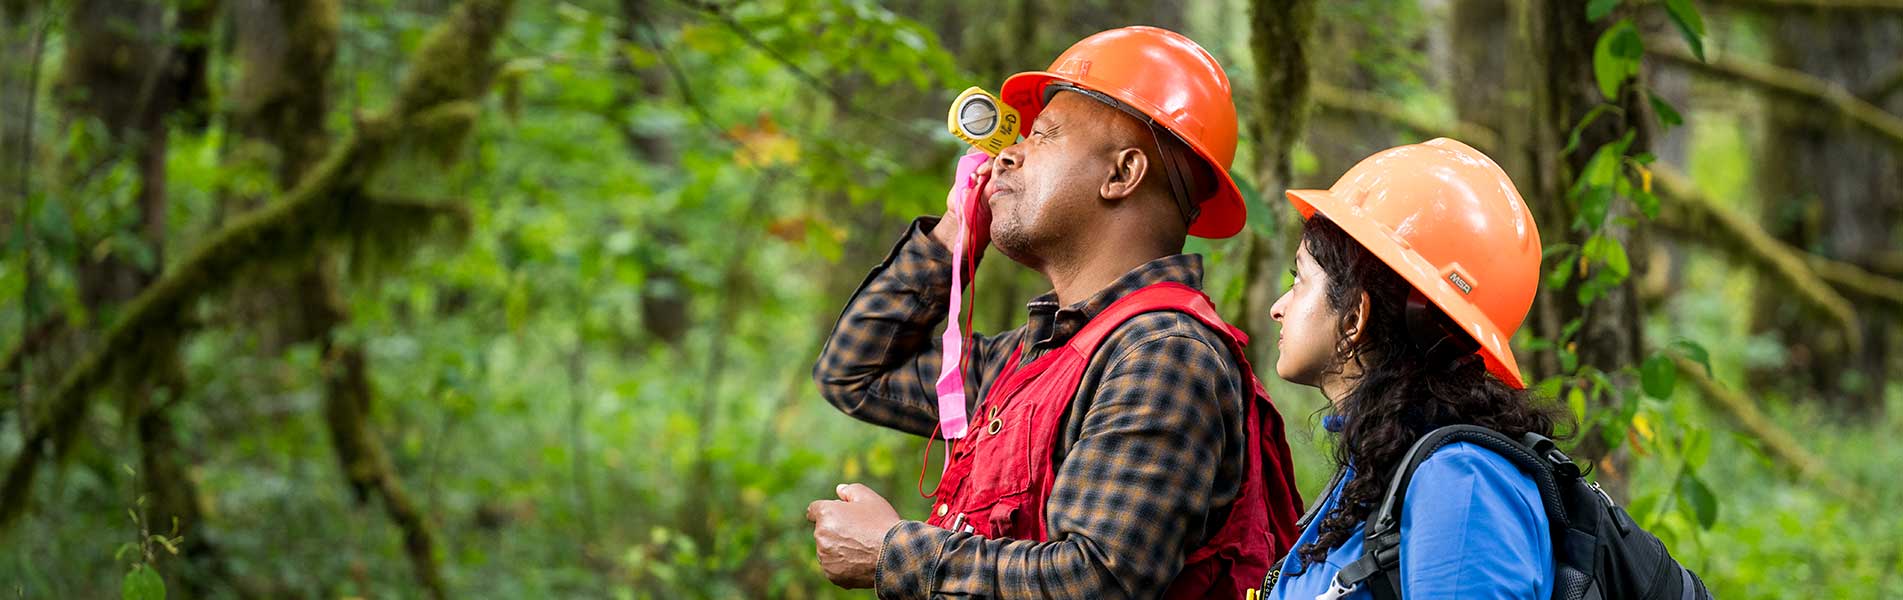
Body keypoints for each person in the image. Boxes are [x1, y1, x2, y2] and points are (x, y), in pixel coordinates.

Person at [804, 26, 1303, 598]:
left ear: (1122, 174)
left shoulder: (1163, 354)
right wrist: (954, 235)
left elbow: (1098, 579)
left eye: (1042, 136)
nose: (1006, 154)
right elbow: (854, 374)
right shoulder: (1031, 358)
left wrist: (894, 553)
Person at [1261, 138, 1563, 599]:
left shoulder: (1462, 484)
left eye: (1299, 280)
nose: (1278, 308)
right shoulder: (1386, 466)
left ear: (1355, 316)